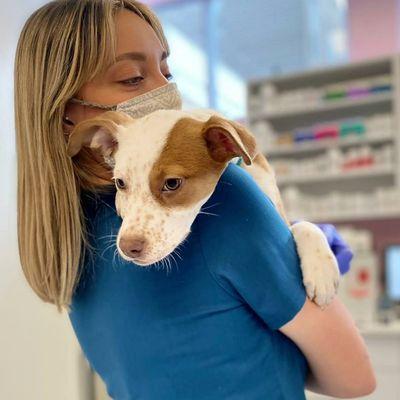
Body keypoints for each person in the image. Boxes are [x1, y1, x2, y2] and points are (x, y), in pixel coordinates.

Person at [14, 0, 376, 399]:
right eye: (133, 77)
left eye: (166, 70)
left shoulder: (65, 229)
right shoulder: (226, 197)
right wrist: (291, 240)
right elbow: (354, 380)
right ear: (69, 112)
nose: (163, 90)